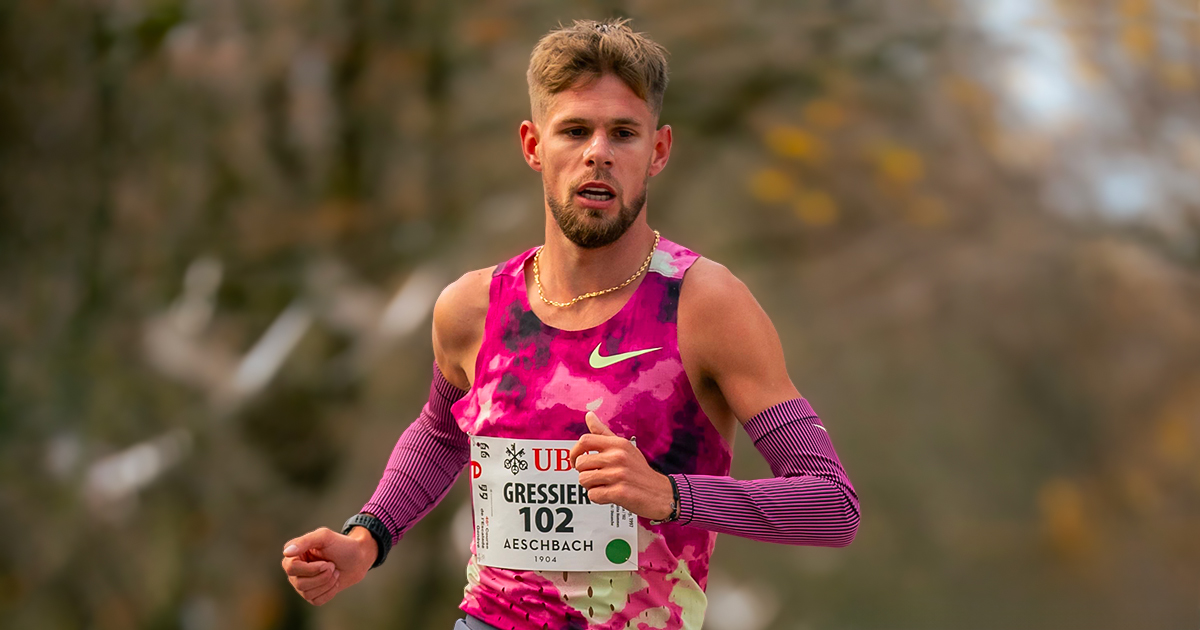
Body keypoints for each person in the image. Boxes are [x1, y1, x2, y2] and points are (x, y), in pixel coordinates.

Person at [281, 18, 859, 630]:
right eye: (575, 130)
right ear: (533, 145)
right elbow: (442, 436)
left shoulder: (704, 305)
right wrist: (368, 536)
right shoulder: (473, 309)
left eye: (624, 133)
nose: (598, 152)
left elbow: (829, 504)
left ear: (658, 151)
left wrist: (670, 496)